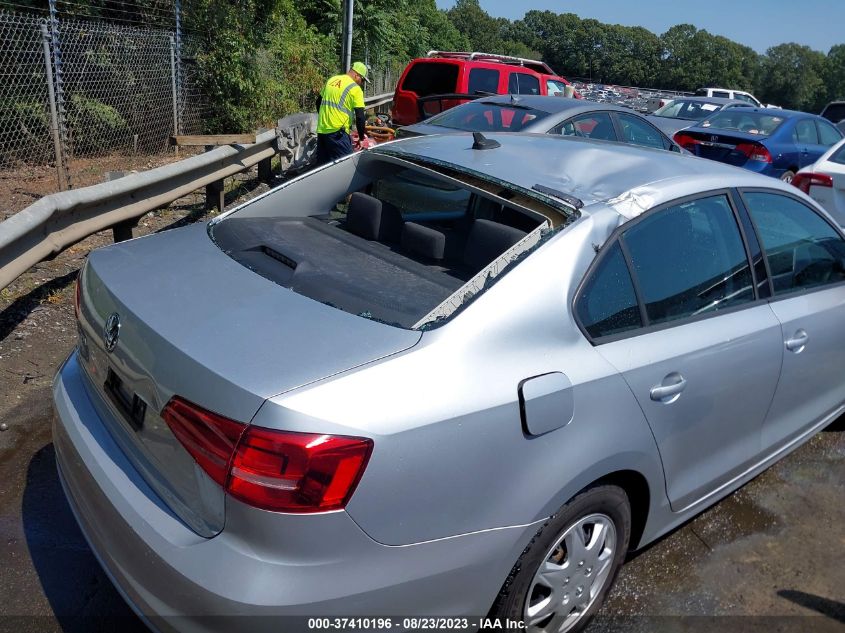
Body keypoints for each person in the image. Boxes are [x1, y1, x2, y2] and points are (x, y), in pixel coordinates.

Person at [315, 61, 370, 166]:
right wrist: (361, 138)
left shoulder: (332, 80)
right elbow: (360, 117)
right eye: (362, 79)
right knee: (346, 165)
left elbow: (318, 103)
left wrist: (326, 118)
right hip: (338, 134)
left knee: (322, 167)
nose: (361, 83)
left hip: (322, 131)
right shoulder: (355, 89)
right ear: (356, 75)